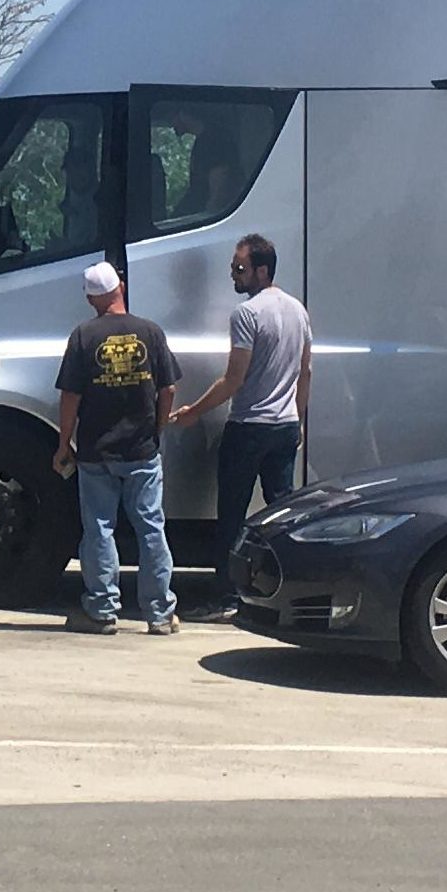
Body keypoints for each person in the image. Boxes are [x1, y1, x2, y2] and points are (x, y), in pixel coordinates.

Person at [169, 232, 313, 619]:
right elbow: (306, 370)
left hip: (249, 425)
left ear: (261, 270)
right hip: (283, 426)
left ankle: (228, 599)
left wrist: (194, 410)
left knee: (231, 513)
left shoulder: (247, 314)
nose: (234, 275)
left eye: (240, 268)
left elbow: (234, 379)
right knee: (281, 509)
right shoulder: (297, 310)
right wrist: (297, 419)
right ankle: (290, 589)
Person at [52, 259, 182, 636]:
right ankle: (160, 613)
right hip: (142, 451)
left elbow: (70, 396)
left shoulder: (82, 336)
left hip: (96, 452)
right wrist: (156, 429)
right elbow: (168, 388)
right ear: (119, 287)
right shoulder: (151, 332)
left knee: (99, 529)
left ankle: (102, 610)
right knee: (151, 528)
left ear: (91, 298)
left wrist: (64, 442)